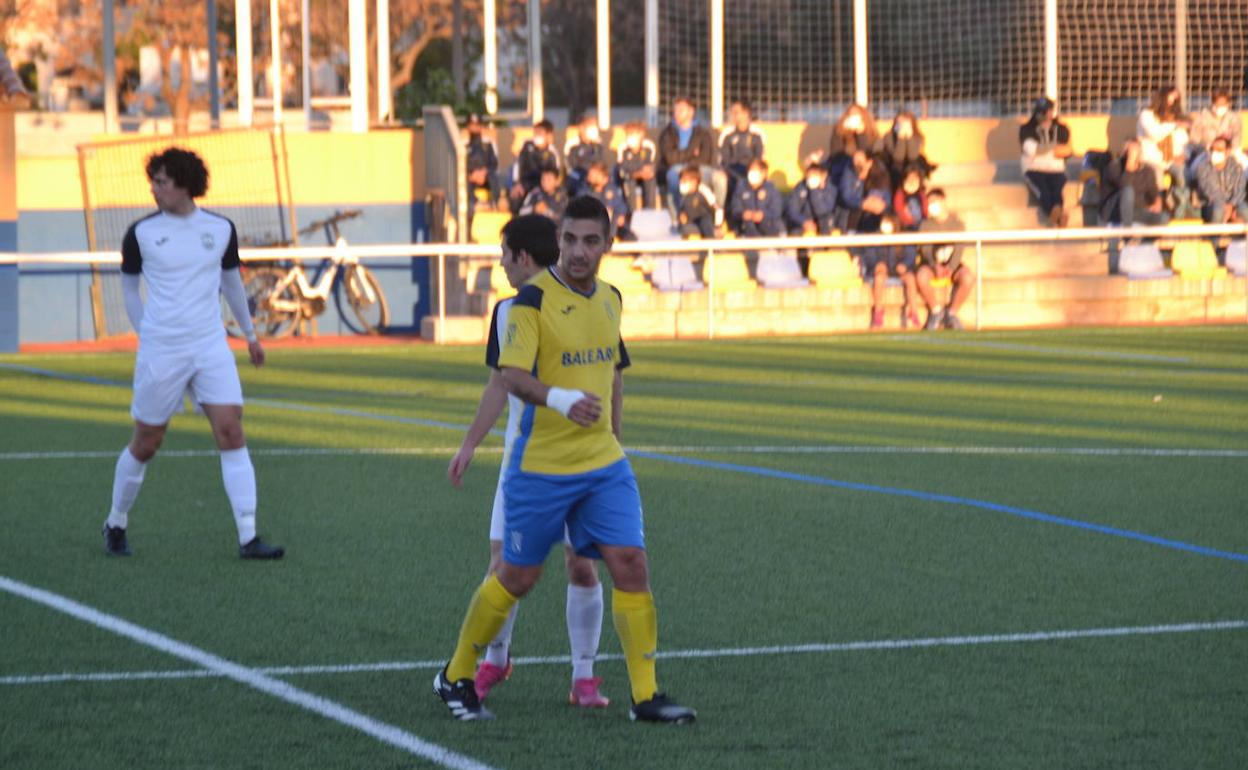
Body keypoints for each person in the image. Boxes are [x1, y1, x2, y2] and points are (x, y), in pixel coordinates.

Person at [433, 195, 696, 725]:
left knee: (630, 566)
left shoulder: (612, 300)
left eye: (590, 241)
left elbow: (613, 377)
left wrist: (614, 439)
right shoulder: (530, 301)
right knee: (516, 577)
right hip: (541, 467)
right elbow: (511, 376)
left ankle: (644, 695)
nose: (579, 251)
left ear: (608, 245)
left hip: (603, 465)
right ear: (558, 239)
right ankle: (456, 673)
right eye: (570, 239)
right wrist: (559, 400)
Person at [447, 214, 610, 709]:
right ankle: (496, 658)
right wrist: (471, 442)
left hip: (581, 462)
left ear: (522, 256)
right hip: (523, 465)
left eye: (503, 254)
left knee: (582, 567)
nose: (500, 263)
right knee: (503, 565)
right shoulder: (506, 312)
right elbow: (499, 383)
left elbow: (614, 374)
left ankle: (584, 677)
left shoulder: (591, 301)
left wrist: (612, 443)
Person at [101, 147, 283, 560]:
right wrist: (146, 333)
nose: (154, 189)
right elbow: (129, 289)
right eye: (153, 181)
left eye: (161, 181)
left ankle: (249, 536)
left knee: (231, 430)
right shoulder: (141, 233)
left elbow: (232, 284)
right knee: (147, 442)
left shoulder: (220, 229)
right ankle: (115, 521)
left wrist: (251, 335)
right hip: (162, 349)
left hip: (209, 345)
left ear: (185, 184)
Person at [915, 188, 974, 331]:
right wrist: (934, 265)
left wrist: (951, 267)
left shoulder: (957, 224)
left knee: (968, 277)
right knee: (921, 277)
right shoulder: (925, 225)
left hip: (951, 265)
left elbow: (959, 248)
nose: (931, 206)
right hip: (932, 265)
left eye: (933, 202)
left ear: (943, 202)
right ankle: (936, 311)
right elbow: (925, 249)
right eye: (929, 203)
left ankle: (951, 313)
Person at [657, 96, 725, 213]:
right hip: (675, 169)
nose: (676, 113)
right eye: (675, 110)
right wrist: (691, 152)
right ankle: (677, 216)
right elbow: (670, 158)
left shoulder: (703, 133)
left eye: (681, 110)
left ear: (691, 112)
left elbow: (705, 158)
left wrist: (689, 167)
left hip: (698, 169)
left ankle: (717, 214)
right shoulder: (667, 133)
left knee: (720, 178)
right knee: (672, 177)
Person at [1020, 97, 1073, 227]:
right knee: (1043, 190)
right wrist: (1053, 147)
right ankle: (1058, 216)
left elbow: (1067, 150)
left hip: (1056, 170)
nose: (1046, 115)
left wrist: (1047, 148)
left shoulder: (1061, 128)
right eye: (1043, 112)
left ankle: (1057, 213)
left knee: (1057, 189)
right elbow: (1032, 150)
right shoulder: (1027, 129)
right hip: (1034, 170)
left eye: (1048, 111)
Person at [1137, 86, 1191, 206]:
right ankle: (1158, 206)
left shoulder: (1176, 119)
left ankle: (1181, 207)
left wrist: (1183, 155)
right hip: (1150, 160)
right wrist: (1174, 125)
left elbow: (1184, 141)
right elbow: (1155, 134)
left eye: (1176, 101)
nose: (1172, 103)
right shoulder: (1147, 115)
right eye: (1170, 99)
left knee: (1183, 173)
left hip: (1171, 160)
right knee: (1157, 175)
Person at [1101, 138, 1166, 226]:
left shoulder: (1147, 170)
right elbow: (1124, 185)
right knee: (1128, 191)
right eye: (1130, 150)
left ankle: (1146, 240)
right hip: (1115, 212)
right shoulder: (1114, 167)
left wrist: (1157, 203)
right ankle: (1128, 234)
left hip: (1138, 211)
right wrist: (1130, 162)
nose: (1133, 153)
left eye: (1136, 150)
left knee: (1163, 218)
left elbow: (1154, 192)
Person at [1192, 136, 1248, 224]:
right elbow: (1211, 192)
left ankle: (1240, 237)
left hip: (1232, 205)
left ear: (1227, 151)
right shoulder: (1203, 168)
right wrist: (1226, 208)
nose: (1214, 152)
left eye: (1219, 149)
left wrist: (1232, 205)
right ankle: (1215, 237)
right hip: (1210, 205)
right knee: (1218, 209)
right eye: (1212, 149)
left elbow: (1239, 190)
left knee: (1244, 210)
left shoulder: (1236, 168)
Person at [510, 120, 562, 212]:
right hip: (526, 183)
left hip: (543, 184)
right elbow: (518, 165)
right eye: (535, 133)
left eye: (540, 133)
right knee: (515, 197)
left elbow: (555, 175)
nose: (537, 136)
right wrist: (517, 183)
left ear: (549, 136)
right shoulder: (527, 147)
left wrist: (547, 186)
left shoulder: (552, 153)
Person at [836, 149, 891, 233]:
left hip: (874, 218)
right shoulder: (849, 172)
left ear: (869, 163)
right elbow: (846, 196)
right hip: (852, 216)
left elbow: (884, 199)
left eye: (859, 161)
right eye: (854, 160)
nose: (856, 164)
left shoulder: (880, 174)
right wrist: (862, 203)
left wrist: (878, 204)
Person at [728, 158, 784, 237]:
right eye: (750, 171)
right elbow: (735, 208)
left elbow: (776, 211)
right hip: (747, 229)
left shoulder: (771, 189)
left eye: (755, 171)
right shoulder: (741, 187)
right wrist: (743, 214)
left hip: (768, 228)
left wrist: (763, 215)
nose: (751, 174)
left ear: (763, 173)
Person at [718, 100, 765, 191]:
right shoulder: (727, 134)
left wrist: (753, 169)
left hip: (751, 170)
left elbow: (759, 157)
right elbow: (724, 159)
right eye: (732, 112)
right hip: (732, 171)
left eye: (736, 112)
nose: (733, 115)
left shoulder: (757, 133)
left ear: (746, 113)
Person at [878, 111, 935, 185]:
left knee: (914, 167)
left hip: (912, 166)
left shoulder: (918, 137)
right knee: (896, 169)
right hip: (893, 166)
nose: (903, 127)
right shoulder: (889, 136)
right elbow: (897, 158)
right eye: (899, 124)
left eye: (906, 125)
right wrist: (900, 139)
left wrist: (909, 138)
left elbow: (913, 157)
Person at [784, 158, 838, 235]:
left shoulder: (830, 189)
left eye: (814, 175)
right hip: (803, 224)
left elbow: (822, 211)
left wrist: (814, 191)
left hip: (823, 225)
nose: (811, 179)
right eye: (809, 176)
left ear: (822, 177)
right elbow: (792, 210)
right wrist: (804, 222)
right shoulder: (800, 187)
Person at [827, 104, 880, 180]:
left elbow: (868, 153)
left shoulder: (870, 132)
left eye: (856, 115)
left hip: (864, 166)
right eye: (851, 114)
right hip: (844, 166)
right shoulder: (839, 131)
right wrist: (840, 132)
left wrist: (860, 133)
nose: (853, 117)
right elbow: (835, 153)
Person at [564, 114, 611, 197]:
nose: (594, 130)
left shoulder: (598, 145)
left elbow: (603, 163)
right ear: (582, 128)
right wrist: (588, 175)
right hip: (579, 175)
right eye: (591, 127)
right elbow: (571, 166)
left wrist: (597, 174)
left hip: (596, 175)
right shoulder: (572, 144)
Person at [617, 121, 659, 211]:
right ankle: (632, 213)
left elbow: (651, 166)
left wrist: (646, 172)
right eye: (628, 135)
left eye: (633, 135)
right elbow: (622, 170)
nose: (630, 138)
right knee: (628, 182)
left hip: (644, 175)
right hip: (628, 176)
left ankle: (649, 211)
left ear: (641, 135)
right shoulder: (622, 148)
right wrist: (636, 173)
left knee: (651, 180)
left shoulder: (649, 146)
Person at [584, 162, 632, 240]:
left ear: (604, 177)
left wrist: (622, 215)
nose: (591, 176)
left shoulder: (612, 190)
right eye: (591, 174)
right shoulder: (586, 192)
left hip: (614, 227)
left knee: (630, 237)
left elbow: (621, 207)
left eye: (595, 174)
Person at [1189, 90, 1243, 159]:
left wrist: (1228, 149)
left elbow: (1237, 139)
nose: (1220, 107)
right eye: (1218, 104)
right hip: (1206, 152)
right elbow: (1194, 140)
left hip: (1229, 152)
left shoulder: (1234, 118)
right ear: (1213, 103)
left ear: (1228, 104)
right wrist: (1206, 147)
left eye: (1223, 104)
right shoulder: (1202, 118)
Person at [465, 113, 501, 209]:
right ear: (468, 126)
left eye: (477, 125)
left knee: (493, 176)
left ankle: (495, 203)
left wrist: (483, 172)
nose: (475, 128)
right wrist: (471, 175)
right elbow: (461, 164)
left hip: (485, 176)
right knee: (463, 180)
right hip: (470, 178)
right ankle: (475, 204)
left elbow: (494, 163)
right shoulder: (463, 145)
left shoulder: (488, 144)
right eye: (472, 125)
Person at [675, 165, 720, 239]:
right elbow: (681, 210)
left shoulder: (703, 191)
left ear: (694, 182)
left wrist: (718, 225)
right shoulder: (683, 195)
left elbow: (717, 208)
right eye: (681, 181)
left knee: (705, 222)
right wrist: (681, 217)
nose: (681, 183)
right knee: (684, 229)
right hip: (692, 223)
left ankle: (712, 246)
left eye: (684, 181)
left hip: (706, 222)